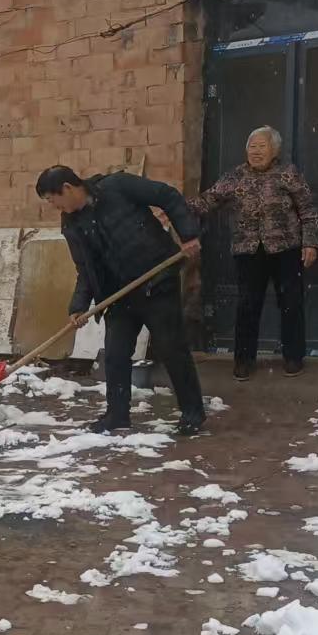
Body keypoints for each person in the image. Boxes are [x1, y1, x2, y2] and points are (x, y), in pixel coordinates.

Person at [36, 164, 206, 437]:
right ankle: (117, 416)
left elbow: (168, 195)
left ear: (67, 188)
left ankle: (192, 412)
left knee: (171, 348)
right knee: (115, 355)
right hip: (119, 295)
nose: (54, 207)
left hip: (156, 281)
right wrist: (78, 306)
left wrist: (188, 235)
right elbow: (85, 269)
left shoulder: (118, 187)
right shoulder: (71, 223)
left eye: (52, 200)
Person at [190, 125, 318, 380]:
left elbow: (308, 209)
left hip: (286, 249)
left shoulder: (288, 174)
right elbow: (207, 200)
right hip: (248, 251)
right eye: (252, 146)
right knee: (247, 305)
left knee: (291, 303)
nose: (256, 151)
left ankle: (293, 357)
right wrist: (173, 208)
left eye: (262, 146)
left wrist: (310, 243)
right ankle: (244, 360)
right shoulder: (234, 176)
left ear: (275, 150)